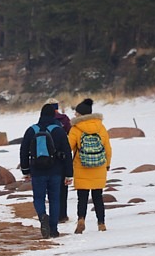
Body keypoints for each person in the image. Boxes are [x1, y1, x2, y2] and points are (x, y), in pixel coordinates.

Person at [20, 103, 73, 238]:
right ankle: (53, 229)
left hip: (37, 171)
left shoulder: (32, 130)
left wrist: (25, 170)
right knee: (55, 199)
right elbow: (67, 152)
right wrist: (68, 174)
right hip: (56, 171)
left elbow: (23, 151)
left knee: (39, 198)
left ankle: (43, 216)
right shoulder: (59, 130)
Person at [68, 98, 112, 233]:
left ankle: (81, 220)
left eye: (76, 113)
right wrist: (107, 164)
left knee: (82, 197)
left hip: (82, 167)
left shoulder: (75, 129)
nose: (75, 115)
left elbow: (68, 146)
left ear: (81, 114)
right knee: (98, 197)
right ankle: (101, 223)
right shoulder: (101, 127)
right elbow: (107, 148)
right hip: (99, 166)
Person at [47, 97, 72, 224]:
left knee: (51, 187)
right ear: (57, 106)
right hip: (63, 156)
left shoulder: (44, 120)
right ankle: (63, 215)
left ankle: (53, 215)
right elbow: (70, 133)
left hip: (48, 158)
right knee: (63, 187)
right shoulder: (64, 119)